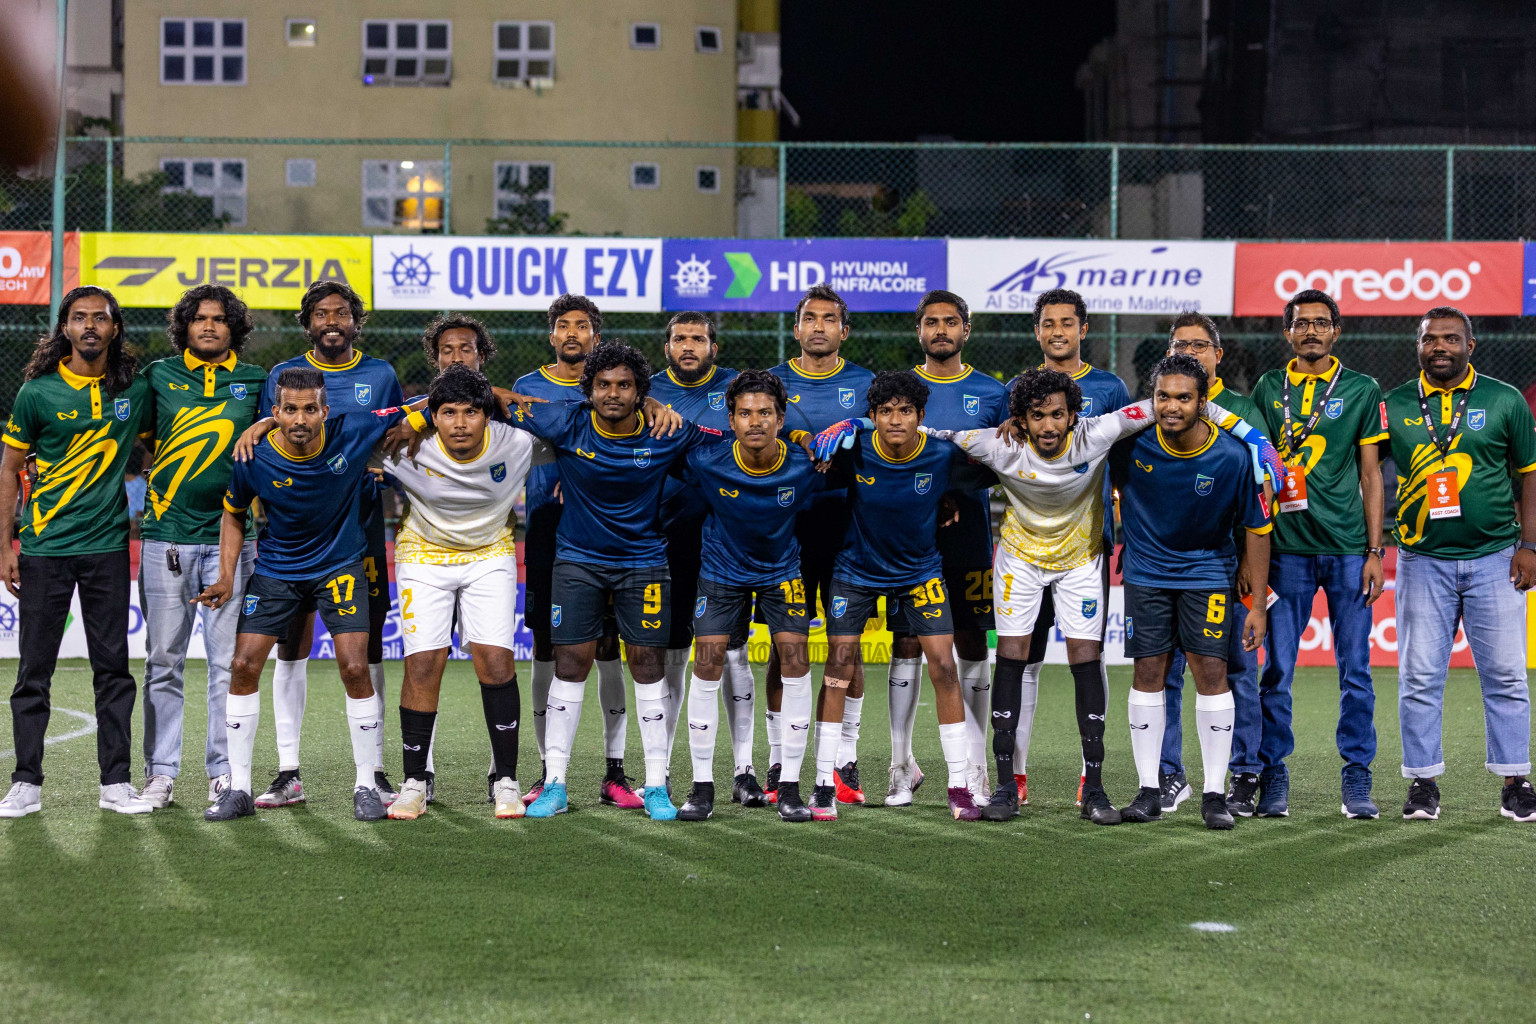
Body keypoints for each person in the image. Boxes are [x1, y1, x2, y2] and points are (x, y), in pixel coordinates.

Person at [923, 367, 1269, 825]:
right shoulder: (996, 442)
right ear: (1021, 419)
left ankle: (1097, 788)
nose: (1048, 425)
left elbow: (1176, 404)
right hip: (1019, 560)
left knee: (1087, 659)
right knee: (1012, 656)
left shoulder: (1101, 432)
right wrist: (862, 426)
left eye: (1057, 415)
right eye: (1037, 416)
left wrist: (1254, 438)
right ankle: (1006, 786)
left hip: (1081, 558)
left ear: (1074, 416)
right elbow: (926, 433)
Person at [510, 341, 723, 820]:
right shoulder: (566, 421)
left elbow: (730, 440)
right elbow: (495, 398)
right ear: (588, 390)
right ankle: (556, 783)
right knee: (571, 664)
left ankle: (655, 786)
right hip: (578, 563)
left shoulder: (668, 430)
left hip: (644, 563)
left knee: (647, 665)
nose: (613, 393)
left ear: (640, 391)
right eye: (603, 385)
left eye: (625, 385)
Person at [199, 367, 406, 821]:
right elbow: (233, 514)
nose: (299, 418)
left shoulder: (353, 430)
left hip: (340, 566)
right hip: (277, 569)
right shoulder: (252, 457)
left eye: (309, 409)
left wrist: (460, 402)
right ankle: (239, 788)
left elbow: (427, 402)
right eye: (289, 410)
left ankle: (366, 784)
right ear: (275, 413)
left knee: (355, 666)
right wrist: (227, 575)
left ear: (325, 411)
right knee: (242, 665)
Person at [235, 280, 403, 810]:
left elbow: (398, 430)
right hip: (290, 532)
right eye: (321, 314)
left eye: (342, 313)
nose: (332, 322)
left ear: (356, 320)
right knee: (291, 646)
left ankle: (372, 772)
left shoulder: (381, 375)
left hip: (359, 527)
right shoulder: (284, 376)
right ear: (307, 322)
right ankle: (288, 771)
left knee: (363, 649)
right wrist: (263, 421)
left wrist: (379, 470)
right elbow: (271, 432)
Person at [811, 370, 996, 821]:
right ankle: (821, 784)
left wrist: (950, 497)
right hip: (856, 572)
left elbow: (997, 464)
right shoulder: (853, 454)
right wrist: (839, 431)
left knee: (944, 668)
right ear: (871, 416)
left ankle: (959, 786)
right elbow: (808, 464)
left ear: (920, 416)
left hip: (920, 573)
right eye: (886, 412)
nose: (896, 420)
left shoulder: (942, 455)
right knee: (838, 667)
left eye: (906, 411)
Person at [0, 286, 155, 817]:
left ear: (115, 329)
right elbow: (8, 470)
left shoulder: (134, 390)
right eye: (79, 317)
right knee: (33, 671)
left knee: (113, 669)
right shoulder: (37, 393)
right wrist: (6, 544)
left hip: (109, 549)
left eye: (100, 318)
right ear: (64, 327)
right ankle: (26, 783)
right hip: (44, 549)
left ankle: (115, 785)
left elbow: (170, 439)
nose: (90, 325)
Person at [1381, 306, 1536, 823]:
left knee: (1508, 675)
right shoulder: (1395, 404)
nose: (1440, 347)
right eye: (1430, 340)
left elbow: (1530, 476)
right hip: (1423, 560)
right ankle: (1423, 784)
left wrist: (1530, 545)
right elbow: (1357, 466)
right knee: (1419, 676)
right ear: (1418, 346)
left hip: (1496, 557)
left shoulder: (1504, 400)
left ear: (1472, 344)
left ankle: (1517, 781)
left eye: (1451, 338)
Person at [1110, 355, 1272, 831]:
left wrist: (1258, 604)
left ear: (1205, 402)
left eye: (1184, 397)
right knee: (1148, 671)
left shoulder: (1232, 456)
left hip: (1207, 574)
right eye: (1163, 396)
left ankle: (1215, 794)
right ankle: (1149, 790)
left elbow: (1258, 529)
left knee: (1211, 672)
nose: (1172, 406)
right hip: (1146, 574)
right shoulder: (1129, 445)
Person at [382, 365, 550, 820]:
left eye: (472, 412)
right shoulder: (404, 444)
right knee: (422, 663)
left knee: (495, 659)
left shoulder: (516, 442)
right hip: (423, 554)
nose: (460, 423)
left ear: (487, 414)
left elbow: (581, 420)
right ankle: (415, 781)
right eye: (448, 412)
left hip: (490, 553)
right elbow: (342, 425)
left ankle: (507, 780)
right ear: (432, 416)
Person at [1249, 290, 1389, 819]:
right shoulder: (1268, 387)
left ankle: (1357, 776)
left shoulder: (1360, 388)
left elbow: (1372, 475)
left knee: (1356, 669)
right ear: (1288, 332)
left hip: (1349, 549)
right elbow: (1259, 469)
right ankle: (1273, 773)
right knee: (1277, 669)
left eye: (1321, 323)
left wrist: (1376, 549)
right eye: (1301, 323)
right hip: (1285, 549)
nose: (1311, 330)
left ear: (1336, 332)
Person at [136, 284, 268, 810]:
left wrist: (259, 421)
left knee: (226, 664)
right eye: (198, 319)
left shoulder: (257, 381)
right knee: (163, 661)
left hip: (231, 541)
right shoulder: (158, 376)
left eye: (218, 318)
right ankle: (160, 774)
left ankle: (223, 772)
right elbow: (141, 436)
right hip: (166, 537)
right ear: (184, 327)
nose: (209, 326)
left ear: (233, 326)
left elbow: (284, 426)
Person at [674, 370, 827, 822]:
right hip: (721, 571)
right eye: (745, 413)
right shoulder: (708, 460)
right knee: (707, 662)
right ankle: (702, 786)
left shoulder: (807, 463)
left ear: (781, 419)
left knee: (796, 662)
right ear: (732, 419)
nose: (754, 421)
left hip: (783, 572)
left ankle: (791, 789)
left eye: (764, 413)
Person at [1005, 288, 1131, 807]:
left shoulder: (1109, 386)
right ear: (1037, 331)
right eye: (1048, 323)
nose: (1057, 331)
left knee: (1088, 651)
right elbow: (1003, 446)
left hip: (1087, 545)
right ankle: (1013, 774)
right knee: (1024, 657)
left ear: (1084, 329)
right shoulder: (1018, 387)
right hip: (1028, 548)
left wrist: (1125, 523)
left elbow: (1125, 459)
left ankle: (1090, 776)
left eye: (1067, 322)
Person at [885, 290, 1009, 808]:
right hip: (910, 540)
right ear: (919, 331)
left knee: (973, 645)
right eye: (932, 322)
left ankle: (976, 768)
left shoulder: (992, 392)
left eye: (951, 322)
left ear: (966, 329)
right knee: (907, 645)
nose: (941, 330)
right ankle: (900, 764)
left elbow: (1004, 460)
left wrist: (957, 493)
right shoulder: (900, 390)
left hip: (970, 538)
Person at [514, 296, 639, 809]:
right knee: (549, 646)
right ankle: (550, 772)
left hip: (611, 530)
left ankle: (616, 772)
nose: (572, 334)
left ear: (596, 334)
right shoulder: (528, 388)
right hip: (548, 528)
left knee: (610, 648)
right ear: (551, 335)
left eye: (582, 326)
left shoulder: (611, 388)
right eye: (563, 326)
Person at [650, 312, 770, 806]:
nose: (688, 346)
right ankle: (669, 768)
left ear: (714, 347)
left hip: (727, 538)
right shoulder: (646, 390)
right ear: (667, 347)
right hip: (665, 537)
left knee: (734, 652)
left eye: (698, 338)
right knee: (674, 653)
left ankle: (744, 770)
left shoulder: (735, 392)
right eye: (679, 338)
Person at [1156, 313, 1270, 816]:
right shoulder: (1155, 406)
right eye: (1182, 344)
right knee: (1165, 671)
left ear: (1218, 355)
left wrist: (1248, 559)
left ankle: (1241, 772)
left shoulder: (1243, 409)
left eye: (1201, 345)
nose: (1192, 352)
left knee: (1234, 670)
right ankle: (1168, 774)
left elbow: (1262, 485)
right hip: (1164, 564)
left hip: (1226, 564)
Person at [767, 284, 875, 805]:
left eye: (828, 319)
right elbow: (753, 435)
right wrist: (798, 441)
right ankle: (774, 761)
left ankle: (843, 762)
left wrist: (858, 426)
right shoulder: (775, 383)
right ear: (796, 327)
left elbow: (887, 435)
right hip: (788, 526)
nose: (818, 327)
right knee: (785, 645)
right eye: (809, 318)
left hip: (848, 528)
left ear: (843, 331)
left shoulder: (864, 383)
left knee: (844, 645)